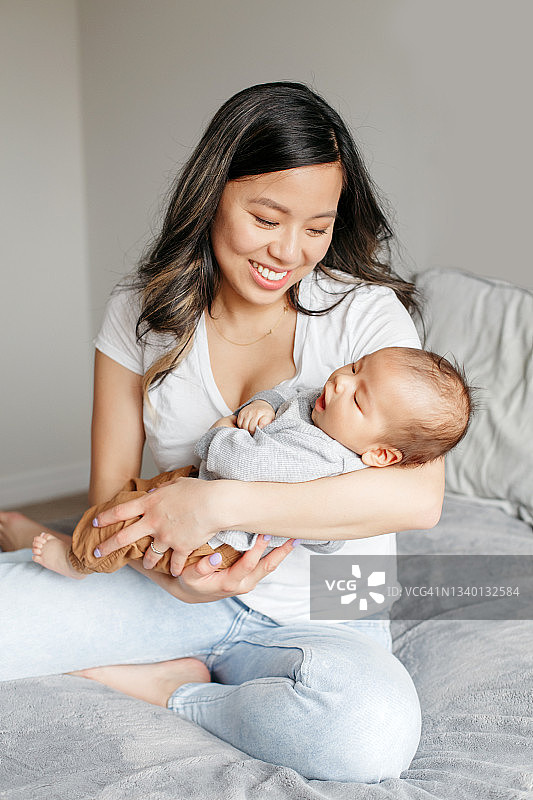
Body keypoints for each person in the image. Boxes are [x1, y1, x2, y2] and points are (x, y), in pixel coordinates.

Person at [0, 82, 446, 783]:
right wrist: (168, 575)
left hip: (334, 601)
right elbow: (112, 499)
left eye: (316, 226)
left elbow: (416, 502)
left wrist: (215, 504)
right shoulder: (139, 313)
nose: (289, 251)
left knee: (367, 738)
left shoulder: (367, 320)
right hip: (172, 590)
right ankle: (33, 540)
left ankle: (172, 688)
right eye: (266, 217)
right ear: (212, 194)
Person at [32, 347, 471, 581]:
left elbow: (233, 462)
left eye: (357, 397)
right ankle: (70, 538)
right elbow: (289, 394)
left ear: (381, 455)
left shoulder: (317, 457)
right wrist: (263, 404)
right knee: (129, 495)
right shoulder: (326, 414)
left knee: (123, 530)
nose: (340, 382)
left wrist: (224, 428)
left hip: (215, 540)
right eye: (355, 367)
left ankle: (76, 562)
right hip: (194, 488)